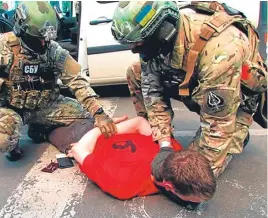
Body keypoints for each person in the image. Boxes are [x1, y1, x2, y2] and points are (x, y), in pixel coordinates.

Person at [111, 1, 268, 178]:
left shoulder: (221, 51)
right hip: (196, 82)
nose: (134, 50)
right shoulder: (155, 40)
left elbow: (217, 123)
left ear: (163, 31)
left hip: (235, 99)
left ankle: (238, 133)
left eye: (137, 44)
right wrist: (164, 145)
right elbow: (152, 92)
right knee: (135, 72)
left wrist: (197, 176)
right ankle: (154, 135)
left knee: (192, 175)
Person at [0, 1, 117, 161]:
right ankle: (12, 145)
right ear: (21, 30)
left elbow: (77, 81)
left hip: (45, 105)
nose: (43, 43)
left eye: (47, 38)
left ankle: (39, 129)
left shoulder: (53, 50)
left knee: (89, 118)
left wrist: (99, 114)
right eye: (38, 38)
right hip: (9, 109)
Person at [52, 117, 216, 209]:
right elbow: (139, 122)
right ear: (169, 186)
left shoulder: (174, 151)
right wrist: (103, 128)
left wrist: (110, 127)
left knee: (52, 126)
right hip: (89, 134)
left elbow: (80, 150)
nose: (196, 205)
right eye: (192, 201)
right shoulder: (124, 184)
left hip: (85, 136)